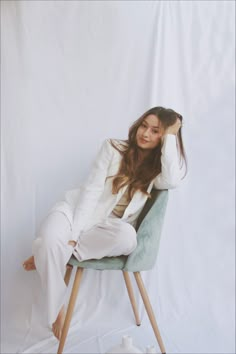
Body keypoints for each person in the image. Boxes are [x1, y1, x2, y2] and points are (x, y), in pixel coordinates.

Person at [22, 106, 187, 340]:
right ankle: (57, 305)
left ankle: (49, 254)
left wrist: (171, 135)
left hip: (104, 230)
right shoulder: (112, 148)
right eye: (144, 126)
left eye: (155, 131)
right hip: (73, 213)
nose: (146, 134)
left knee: (127, 238)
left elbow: (172, 180)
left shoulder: (156, 170)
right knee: (51, 238)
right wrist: (73, 233)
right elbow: (91, 191)